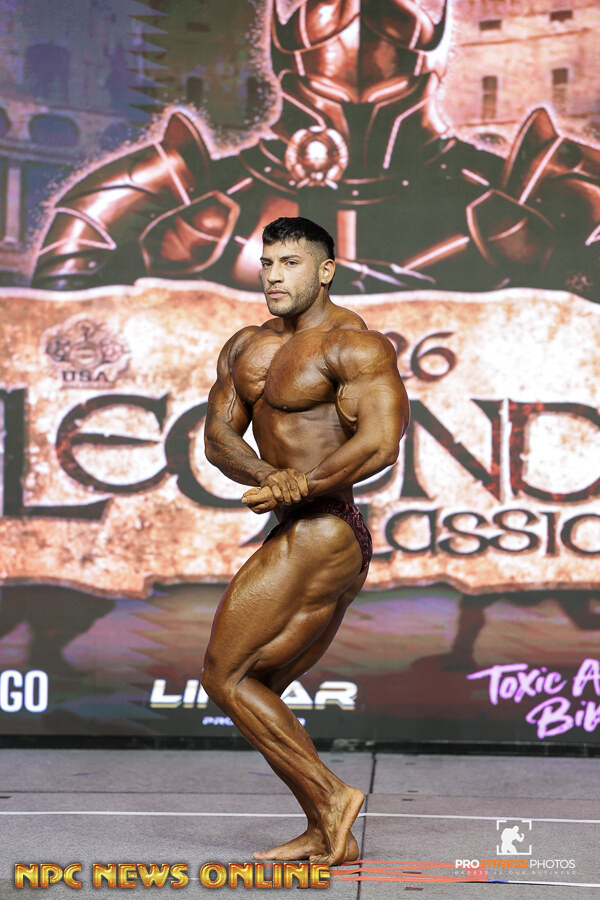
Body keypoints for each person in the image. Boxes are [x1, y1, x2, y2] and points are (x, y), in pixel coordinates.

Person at [202, 216, 409, 866]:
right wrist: (270, 477)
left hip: (327, 526)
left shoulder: (354, 345)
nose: (273, 275)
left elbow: (380, 441)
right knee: (255, 683)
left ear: (325, 271)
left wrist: (305, 483)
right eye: (267, 263)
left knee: (226, 675)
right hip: (298, 522)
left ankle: (333, 796)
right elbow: (218, 436)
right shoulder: (247, 346)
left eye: (290, 263)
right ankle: (327, 830)